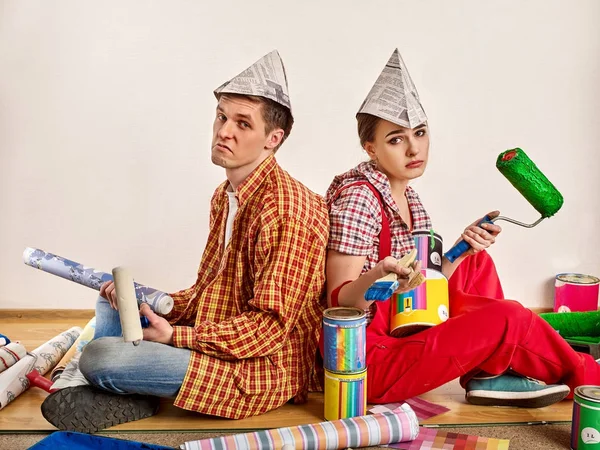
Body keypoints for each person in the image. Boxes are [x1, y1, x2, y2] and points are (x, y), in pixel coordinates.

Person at [41, 50, 329, 433]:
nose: (225, 131)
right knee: (112, 299)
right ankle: (124, 391)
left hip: (258, 370)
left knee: (99, 356)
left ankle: (114, 386)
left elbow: (268, 329)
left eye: (243, 124)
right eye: (222, 117)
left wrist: (176, 335)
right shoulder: (226, 195)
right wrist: (156, 304)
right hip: (222, 332)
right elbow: (208, 292)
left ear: (272, 139)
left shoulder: (286, 210)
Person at [324, 48, 598, 409]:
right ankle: (587, 375)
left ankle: (490, 375)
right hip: (368, 361)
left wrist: (459, 250)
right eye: (396, 139)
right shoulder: (360, 198)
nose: (413, 148)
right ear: (370, 147)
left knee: (475, 262)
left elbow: (425, 287)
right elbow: (341, 304)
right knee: (510, 316)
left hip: (403, 319)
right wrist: (380, 274)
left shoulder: (411, 199)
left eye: (419, 134)